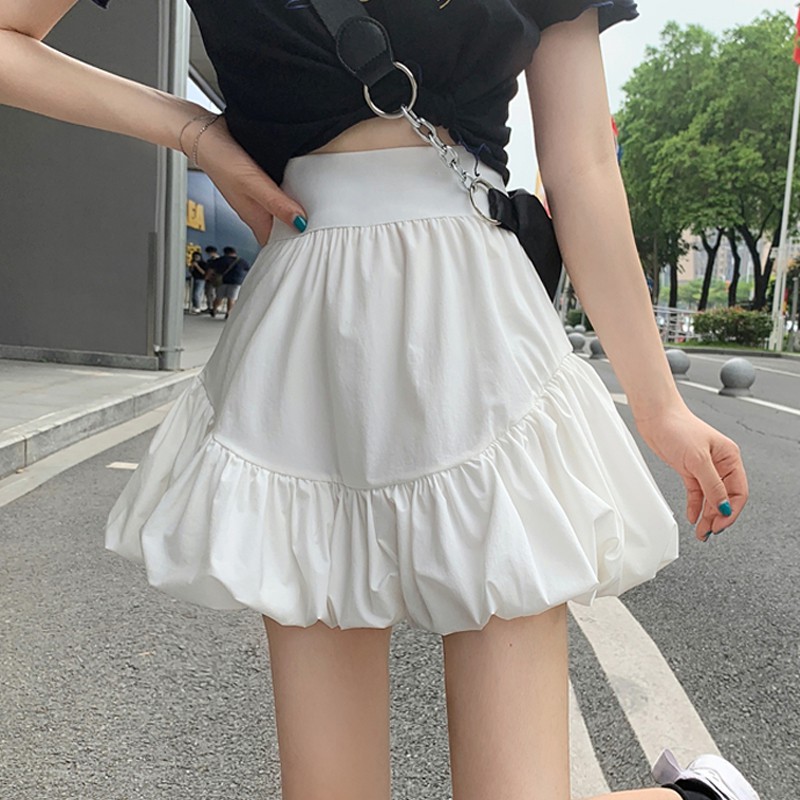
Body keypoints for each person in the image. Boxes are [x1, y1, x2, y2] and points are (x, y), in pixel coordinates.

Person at [1, 2, 756, 800]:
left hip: (478, 331)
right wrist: (194, 132)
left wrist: (660, 406)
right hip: (306, 342)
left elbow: (584, 166)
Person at [210, 245, 250, 320]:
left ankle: (214, 309)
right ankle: (228, 313)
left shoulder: (220, 260)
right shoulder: (241, 261)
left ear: (225, 253)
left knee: (219, 297)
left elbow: (212, 269)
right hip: (236, 282)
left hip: (222, 281)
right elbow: (247, 269)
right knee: (232, 298)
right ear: (234, 252)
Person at [203, 244, 219, 314]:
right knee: (212, 293)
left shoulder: (213, 260)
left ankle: (211, 307)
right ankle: (213, 307)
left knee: (210, 293)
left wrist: (207, 276)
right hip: (217, 279)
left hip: (212, 279)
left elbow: (211, 269)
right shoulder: (220, 259)